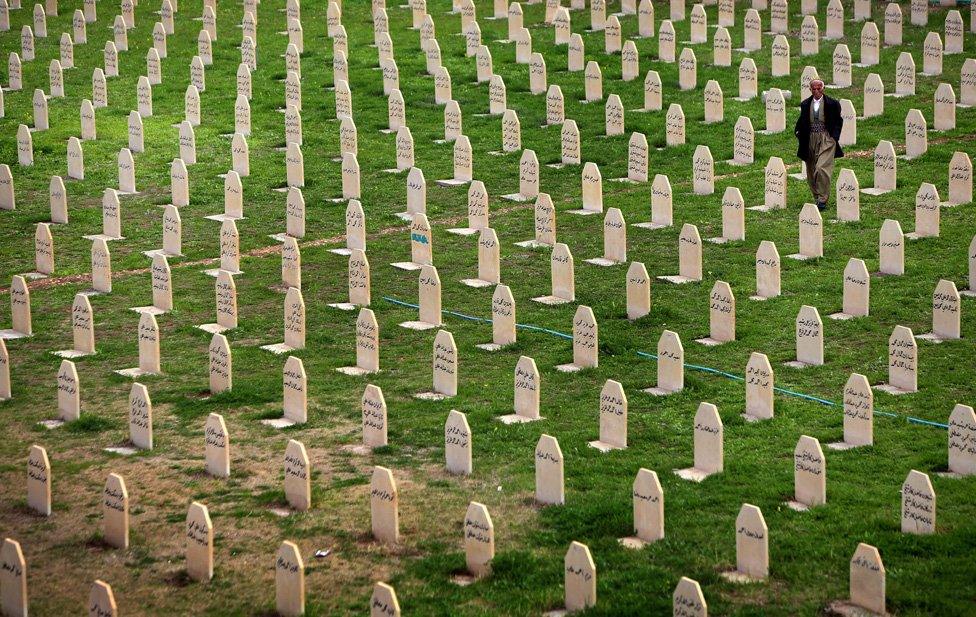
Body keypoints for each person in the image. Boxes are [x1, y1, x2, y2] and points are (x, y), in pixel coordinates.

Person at [794, 79, 843, 211]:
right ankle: (816, 196)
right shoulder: (805, 104)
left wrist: (834, 138)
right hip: (809, 138)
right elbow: (802, 120)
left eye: (819, 88)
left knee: (821, 168)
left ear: (823, 88)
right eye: (814, 89)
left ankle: (822, 199)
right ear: (810, 89)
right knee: (811, 169)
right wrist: (798, 132)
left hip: (826, 138)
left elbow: (838, 121)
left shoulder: (832, 104)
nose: (816, 91)